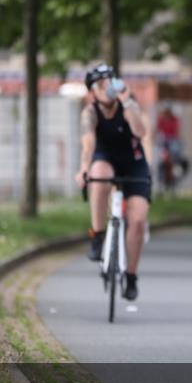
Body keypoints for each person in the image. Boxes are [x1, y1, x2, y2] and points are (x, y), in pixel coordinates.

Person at [75, 64, 151, 301]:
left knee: (137, 221)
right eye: (100, 85)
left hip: (133, 163)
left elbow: (140, 132)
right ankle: (97, 235)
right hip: (104, 159)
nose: (106, 88)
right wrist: (83, 170)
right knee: (99, 174)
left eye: (109, 82)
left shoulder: (127, 104)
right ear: (92, 91)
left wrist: (127, 101)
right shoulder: (90, 112)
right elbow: (88, 145)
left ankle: (131, 275)